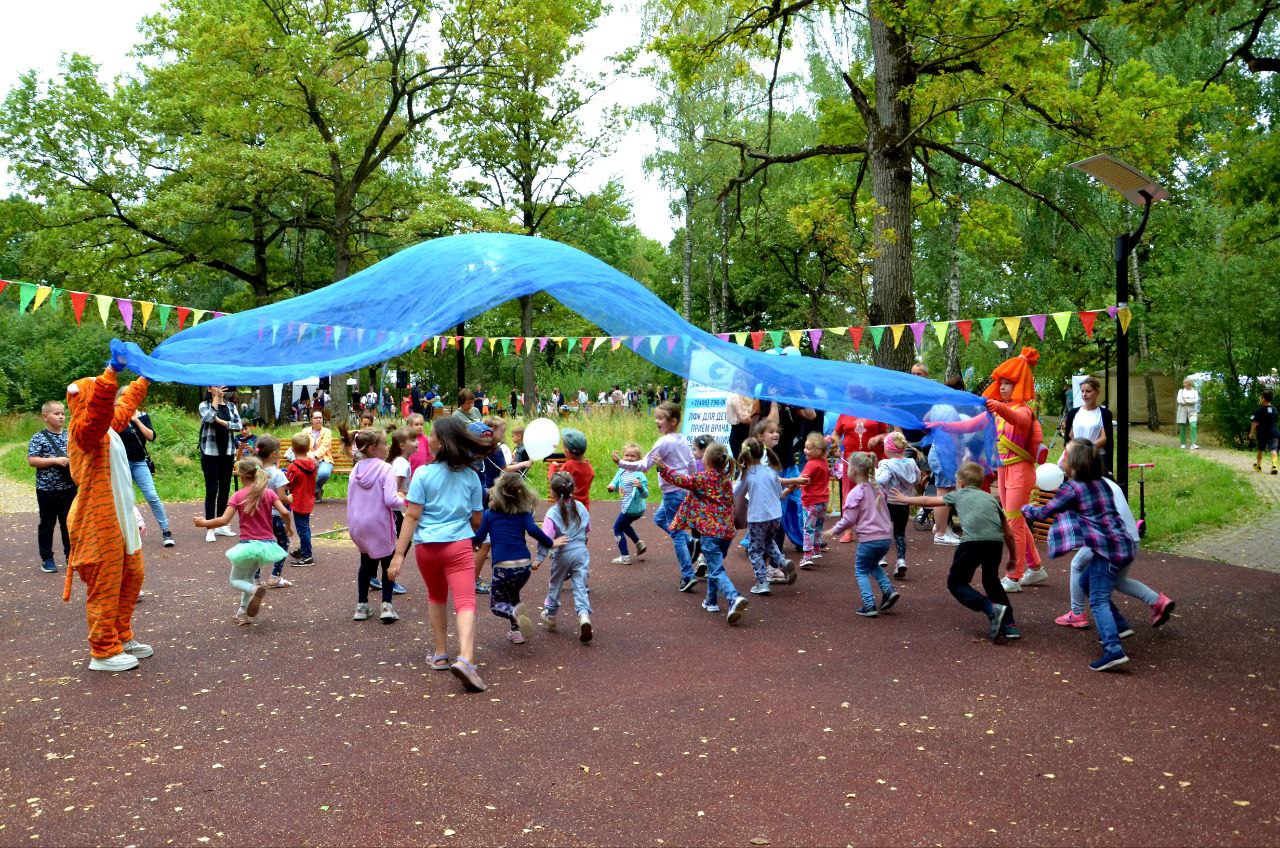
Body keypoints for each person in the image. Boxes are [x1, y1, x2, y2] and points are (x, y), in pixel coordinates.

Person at [61, 356, 152, 671]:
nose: (109, 399)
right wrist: (111, 373)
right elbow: (99, 414)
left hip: (122, 518)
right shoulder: (82, 431)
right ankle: (102, 651)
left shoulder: (107, 428)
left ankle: (121, 636)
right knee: (106, 583)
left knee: (132, 576)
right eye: (99, 393)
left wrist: (144, 379)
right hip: (98, 522)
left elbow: (123, 407)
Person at [389, 416, 491, 692]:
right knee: (466, 601)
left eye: (431, 435)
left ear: (442, 442)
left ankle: (440, 654)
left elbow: (411, 515)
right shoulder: (471, 476)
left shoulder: (422, 473)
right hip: (458, 545)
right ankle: (466, 658)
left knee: (436, 597)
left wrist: (399, 556)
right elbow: (477, 521)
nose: (427, 438)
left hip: (427, 548)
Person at [1022, 440, 1137, 671]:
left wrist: (1025, 509)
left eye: (1066, 452)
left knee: (1097, 600)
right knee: (1085, 581)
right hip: (1121, 544)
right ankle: (1119, 624)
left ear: (1075, 462)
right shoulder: (1101, 483)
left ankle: (1113, 649)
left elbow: (1046, 512)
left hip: (1107, 552)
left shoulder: (1072, 488)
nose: (1062, 455)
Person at [1053, 440, 1176, 633]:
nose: (1064, 458)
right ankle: (1157, 601)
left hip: (1113, 541)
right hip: (1131, 540)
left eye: (1067, 455)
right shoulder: (1105, 481)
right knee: (1118, 581)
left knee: (1078, 566)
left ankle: (1077, 613)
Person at [891, 461, 1020, 642]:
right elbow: (1008, 532)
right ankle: (1009, 624)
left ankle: (991, 608)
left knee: (956, 583)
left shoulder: (958, 494)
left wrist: (905, 499)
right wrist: (1013, 557)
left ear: (960, 483)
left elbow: (930, 501)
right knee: (991, 581)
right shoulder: (991, 498)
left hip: (972, 544)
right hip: (995, 543)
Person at [656, 442, 749, 624]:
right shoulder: (725, 481)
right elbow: (731, 505)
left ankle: (733, 597)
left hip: (710, 533)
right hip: (726, 533)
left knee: (716, 569)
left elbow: (681, 480)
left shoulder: (702, 478)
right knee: (714, 567)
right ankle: (711, 601)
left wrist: (662, 467)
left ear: (706, 459)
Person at [194, 457, 293, 626]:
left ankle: (255, 590)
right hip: (266, 545)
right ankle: (242, 614)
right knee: (246, 579)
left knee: (236, 580)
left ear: (242, 476)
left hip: (248, 545)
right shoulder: (268, 493)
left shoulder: (239, 495)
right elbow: (285, 512)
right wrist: (288, 528)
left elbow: (224, 521)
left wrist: (204, 523)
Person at [613, 402, 698, 592]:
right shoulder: (683, 439)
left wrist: (622, 463)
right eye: (656, 417)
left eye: (660, 418)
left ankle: (688, 575)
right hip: (683, 490)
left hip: (672, 494)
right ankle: (692, 542)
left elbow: (644, 465)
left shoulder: (664, 442)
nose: (656, 421)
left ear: (673, 421)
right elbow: (692, 462)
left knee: (676, 533)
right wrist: (692, 484)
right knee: (659, 518)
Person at [475, 473, 565, 645]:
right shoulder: (523, 513)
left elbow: (479, 538)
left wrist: (464, 541)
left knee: (497, 605)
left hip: (503, 567)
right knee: (513, 595)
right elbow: (533, 531)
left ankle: (514, 614)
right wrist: (550, 542)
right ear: (521, 492)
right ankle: (516, 632)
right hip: (524, 567)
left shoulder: (489, 514)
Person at [822, 452, 900, 618]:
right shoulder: (878, 490)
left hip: (869, 540)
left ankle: (869, 603)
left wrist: (834, 530)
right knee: (872, 565)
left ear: (855, 470)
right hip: (885, 538)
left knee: (861, 570)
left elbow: (849, 519)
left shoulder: (856, 493)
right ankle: (888, 590)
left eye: (848, 466)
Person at [347, 428, 406, 624]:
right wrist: (402, 499)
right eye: (384, 443)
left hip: (358, 524)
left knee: (365, 563)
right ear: (373, 448)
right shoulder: (386, 468)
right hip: (380, 524)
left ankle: (361, 606)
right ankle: (387, 605)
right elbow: (390, 500)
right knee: (387, 563)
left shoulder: (356, 469)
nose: (388, 446)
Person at [736, 437, 799, 595]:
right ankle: (782, 561)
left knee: (755, 550)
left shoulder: (747, 474)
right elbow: (779, 493)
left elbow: (736, 494)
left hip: (758, 518)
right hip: (775, 516)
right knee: (769, 541)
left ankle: (762, 582)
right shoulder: (771, 471)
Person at [538, 472, 595, 641]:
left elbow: (545, 538)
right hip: (581, 552)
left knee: (555, 584)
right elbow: (587, 529)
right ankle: (584, 616)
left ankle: (551, 616)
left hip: (562, 553)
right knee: (580, 586)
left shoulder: (552, 512)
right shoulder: (580, 507)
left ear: (554, 493)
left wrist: (539, 558)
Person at [28, 400, 76, 573]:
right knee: (47, 524)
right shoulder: (38, 438)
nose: (61, 416)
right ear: (45, 417)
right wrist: (54, 460)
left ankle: (71, 557)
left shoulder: (70, 434)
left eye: (63, 413)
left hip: (69, 487)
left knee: (68, 524)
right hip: (46, 489)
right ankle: (47, 559)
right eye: (57, 414)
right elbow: (32, 460)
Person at [832, 413, 889, 542]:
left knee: (876, 491)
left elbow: (887, 435)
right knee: (848, 492)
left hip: (873, 459)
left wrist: (878, 437)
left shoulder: (875, 410)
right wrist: (835, 445)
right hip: (851, 461)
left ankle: (877, 527)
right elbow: (836, 434)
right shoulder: (844, 413)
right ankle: (848, 529)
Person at [198, 386, 242, 543]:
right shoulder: (204, 404)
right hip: (210, 452)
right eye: (216, 385)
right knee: (212, 489)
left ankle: (222, 524)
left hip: (228, 452)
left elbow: (239, 426)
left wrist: (221, 422)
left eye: (222, 385)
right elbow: (208, 418)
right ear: (209, 388)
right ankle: (210, 527)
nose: (221, 387)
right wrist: (216, 399)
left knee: (224, 488)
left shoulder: (231, 406)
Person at [876, 432, 920, 580]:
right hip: (904, 503)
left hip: (888, 503)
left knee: (883, 530)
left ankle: (881, 558)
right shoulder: (911, 463)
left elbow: (881, 480)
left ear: (888, 449)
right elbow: (918, 478)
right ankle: (901, 560)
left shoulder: (886, 464)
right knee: (900, 533)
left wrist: (872, 474)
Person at [254, 435, 293, 589]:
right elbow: (281, 499)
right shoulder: (278, 474)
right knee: (283, 543)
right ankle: (275, 576)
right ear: (273, 454)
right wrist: (290, 498)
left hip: (258, 516)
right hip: (275, 516)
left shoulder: (256, 471)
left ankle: (255, 577)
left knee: (261, 545)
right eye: (278, 450)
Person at [1058, 376, 1113, 474]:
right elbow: (1070, 437)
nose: (1084, 394)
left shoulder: (1105, 414)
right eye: (1082, 391)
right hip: (1077, 457)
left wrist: (1084, 449)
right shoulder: (1073, 413)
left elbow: (1105, 439)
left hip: (1097, 457)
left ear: (1097, 392)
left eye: (1088, 391)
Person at [607, 443, 650, 564]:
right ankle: (639, 544)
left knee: (617, 528)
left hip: (633, 509)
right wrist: (611, 487)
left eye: (633, 456)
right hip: (627, 507)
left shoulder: (639, 474)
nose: (629, 458)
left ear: (639, 460)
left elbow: (645, 494)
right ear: (622, 457)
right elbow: (615, 483)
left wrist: (641, 488)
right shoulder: (621, 470)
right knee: (624, 525)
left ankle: (624, 556)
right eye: (627, 455)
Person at [798, 433, 831, 568]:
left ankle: (807, 555)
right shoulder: (824, 462)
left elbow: (803, 479)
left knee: (808, 528)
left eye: (808, 448)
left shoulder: (811, 464)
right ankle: (816, 549)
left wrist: (795, 484)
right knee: (818, 526)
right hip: (823, 501)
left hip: (811, 501)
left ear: (817, 451)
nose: (805, 450)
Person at [285, 433, 317, 566]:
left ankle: (307, 555)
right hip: (308, 499)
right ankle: (304, 549)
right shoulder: (312, 464)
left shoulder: (293, 466)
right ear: (308, 448)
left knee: (302, 529)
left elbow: (288, 483)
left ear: (293, 449)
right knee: (305, 527)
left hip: (298, 501)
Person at [298, 410, 334, 501]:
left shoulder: (327, 432)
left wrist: (315, 457)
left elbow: (325, 447)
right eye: (316, 417)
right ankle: (312, 493)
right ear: (311, 420)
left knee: (324, 474)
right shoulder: (305, 431)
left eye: (320, 417)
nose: (318, 419)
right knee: (301, 473)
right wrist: (311, 457)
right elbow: (303, 446)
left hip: (324, 459)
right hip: (307, 459)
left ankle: (315, 488)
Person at [558, 428, 594, 508]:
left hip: (569, 506)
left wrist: (552, 468)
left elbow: (556, 482)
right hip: (583, 507)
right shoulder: (589, 467)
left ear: (567, 451)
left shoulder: (568, 466)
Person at [1250, 389, 1278, 475]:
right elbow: (1274, 420)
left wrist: (1251, 433)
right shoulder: (1274, 410)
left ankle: (1258, 466)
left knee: (1260, 450)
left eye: (1261, 398)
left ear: (1264, 399)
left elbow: (1254, 423)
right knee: (1273, 449)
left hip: (1262, 433)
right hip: (1273, 433)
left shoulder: (1260, 411)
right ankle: (1274, 466)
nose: (1260, 399)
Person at [725, 393, 759, 459]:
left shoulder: (749, 395)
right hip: (740, 434)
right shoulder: (735, 396)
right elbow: (744, 418)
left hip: (749, 432)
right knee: (743, 464)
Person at [1175, 378, 1200, 450]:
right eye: (1183, 383)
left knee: (1193, 426)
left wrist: (1186, 400)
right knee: (1182, 427)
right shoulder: (1181, 391)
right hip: (1182, 409)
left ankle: (1193, 444)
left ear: (1189, 383)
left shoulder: (1195, 391)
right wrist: (1189, 400)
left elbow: (1196, 400)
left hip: (1192, 410)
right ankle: (1183, 444)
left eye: (1185, 383)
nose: (1183, 384)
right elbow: (1179, 401)